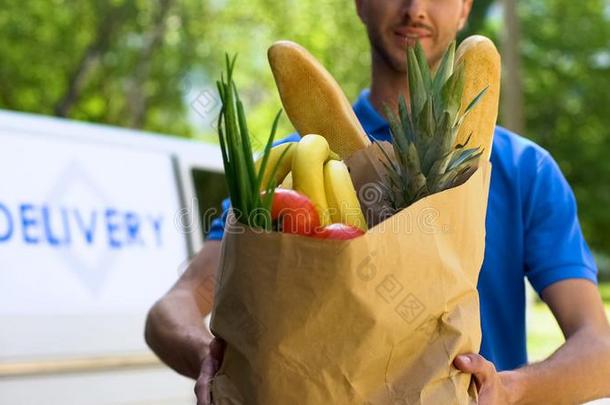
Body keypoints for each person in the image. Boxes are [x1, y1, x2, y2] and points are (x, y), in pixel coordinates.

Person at [145, 1, 610, 404]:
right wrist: (206, 355)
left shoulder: (523, 169)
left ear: (466, 6)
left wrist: (508, 391)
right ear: (360, 3)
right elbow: (176, 304)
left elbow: (599, 351)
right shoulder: (292, 161)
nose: (415, 8)